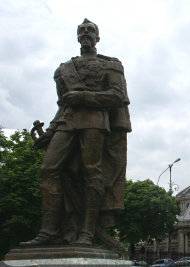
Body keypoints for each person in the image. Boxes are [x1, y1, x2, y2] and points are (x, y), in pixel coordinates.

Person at [20, 19, 131, 247]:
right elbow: (63, 105)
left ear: (98, 38)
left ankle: (87, 233)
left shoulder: (111, 64)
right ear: (77, 36)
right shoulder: (64, 69)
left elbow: (116, 96)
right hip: (66, 122)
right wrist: (49, 132)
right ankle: (50, 230)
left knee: (92, 173)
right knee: (48, 169)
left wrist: (83, 97)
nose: (86, 32)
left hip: (95, 122)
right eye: (82, 30)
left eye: (91, 30)